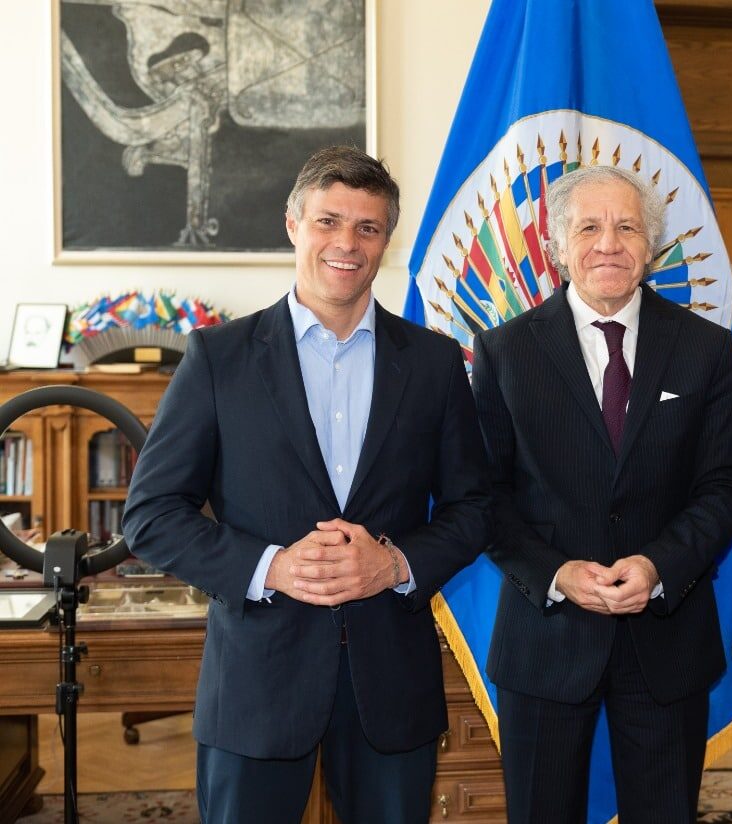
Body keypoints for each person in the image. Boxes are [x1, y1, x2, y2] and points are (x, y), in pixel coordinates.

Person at [123, 146, 490, 824]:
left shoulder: (436, 363)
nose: (346, 243)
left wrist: (396, 563)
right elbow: (150, 515)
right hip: (257, 682)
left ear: (387, 240)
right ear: (293, 225)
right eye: (328, 221)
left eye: (368, 228)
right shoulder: (218, 359)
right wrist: (274, 567)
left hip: (391, 681)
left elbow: (475, 509)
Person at [470, 164, 732, 822]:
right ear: (556, 246)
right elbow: (483, 496)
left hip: (665, 637)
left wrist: (658, 565)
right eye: (588, 227)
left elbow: (722, 484)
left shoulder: (705, 348)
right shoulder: (504, 352)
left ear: (651, 245)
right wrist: (556, 572)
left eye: (627, 227)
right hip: (545, 639)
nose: (608, 244)